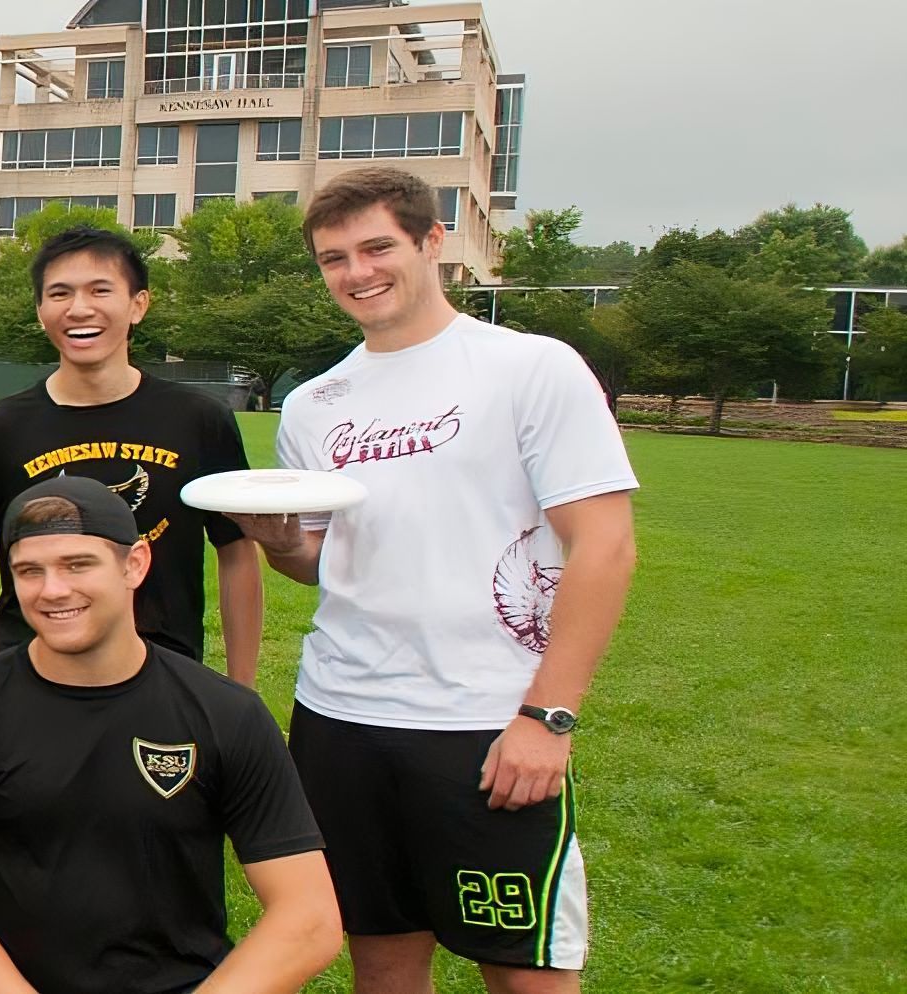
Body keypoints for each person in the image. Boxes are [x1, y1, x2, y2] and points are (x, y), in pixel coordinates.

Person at [236, 166, 636, 994]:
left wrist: (546, 718)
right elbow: (324, 561)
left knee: (526, 971)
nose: (358, 272)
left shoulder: (531, 368)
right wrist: (279, 546)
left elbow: (604, 547)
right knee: (381, 959)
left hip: (487, 722)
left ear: (431, 242)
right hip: (341, 718)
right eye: (333, 257)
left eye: (377, 247)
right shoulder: (316, 403)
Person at [0, 477, 339, 994]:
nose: (53, 590)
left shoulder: (224, 714)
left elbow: (308, 918)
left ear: (134, 564)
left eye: (77, 565)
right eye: (29, 571)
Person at [0, 224, 261, 686]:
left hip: (164, 676)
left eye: (100, 290)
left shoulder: (199, 420)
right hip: (29, 678)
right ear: (40, 309)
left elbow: (236, 553)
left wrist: (241, 693)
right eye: (60, 293)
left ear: (137, 305)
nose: (79, 309)